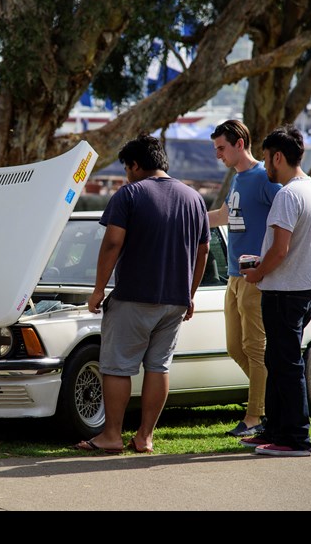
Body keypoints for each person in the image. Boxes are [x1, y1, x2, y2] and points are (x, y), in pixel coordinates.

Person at [75, 133, 209, 455]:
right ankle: (145, 437)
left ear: (135, 165)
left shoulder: (129, 194)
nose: (126, 174)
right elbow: (202, 251)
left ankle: (111, 435)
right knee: (158, 367)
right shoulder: (194, 198)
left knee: (117, 366)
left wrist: (97, 291)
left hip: (134, 296)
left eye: (126, 167)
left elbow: (112, 243)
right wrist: (189, 293)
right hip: (175, 300)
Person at [240, 124, 311, 457]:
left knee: (286, 364)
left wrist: (257, 274)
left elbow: (280, 250)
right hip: (302, 290)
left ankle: (296, 439)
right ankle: (274, 431)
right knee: (276, 361)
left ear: (278, 156)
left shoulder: (288, 195)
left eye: (266, 159)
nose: (264, 166)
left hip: (284, 293)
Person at [207, 120, 282, 438]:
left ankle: (255, 416)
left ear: (240, 143)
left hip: (255, 278)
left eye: (221, 148)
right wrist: (182, 217)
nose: (218, 155)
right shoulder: (237, 180)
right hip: (233, 278)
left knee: (254, 349)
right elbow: (224, 215)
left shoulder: (264, 179)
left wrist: (266, 265)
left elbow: (288, 218)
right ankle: (271, 400)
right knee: (234, 347)